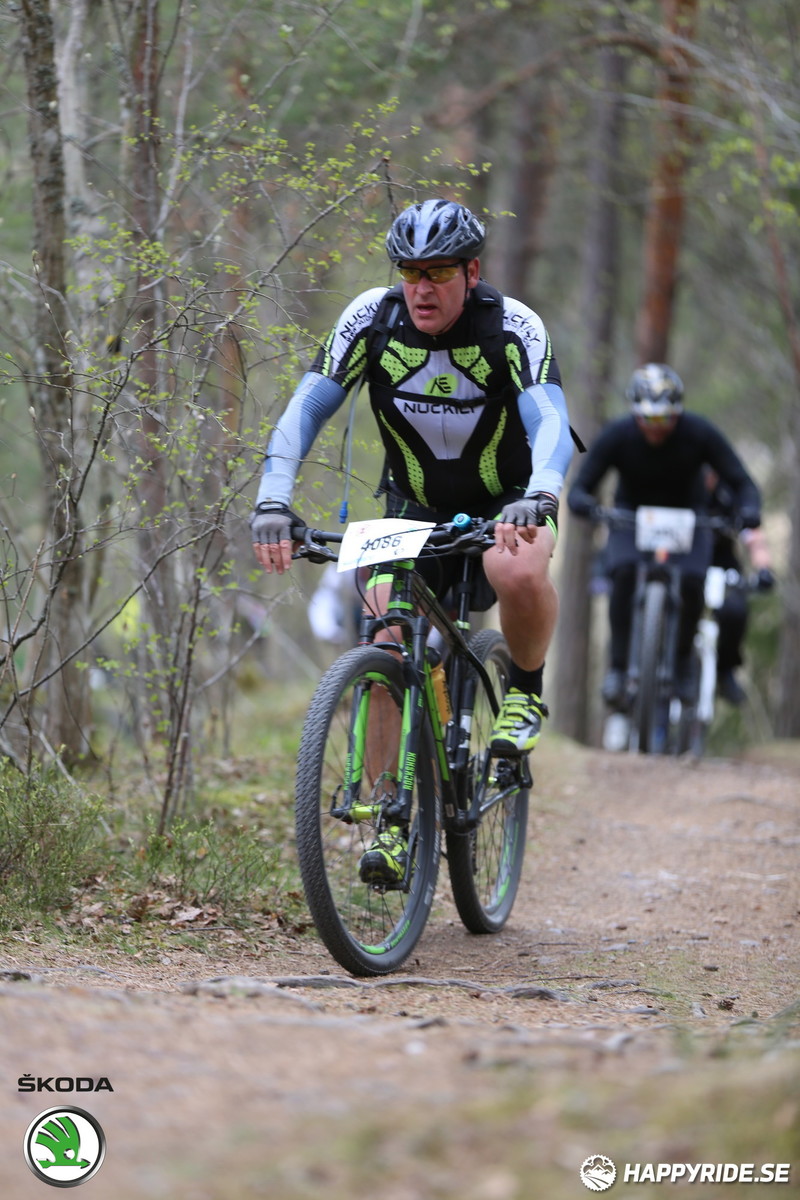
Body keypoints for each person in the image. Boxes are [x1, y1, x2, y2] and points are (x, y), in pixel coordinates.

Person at [250, 198, 575, 882]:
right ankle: (389, 820)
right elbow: (306, 405)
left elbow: (549, 418)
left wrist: (541, 491)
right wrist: (273, 498)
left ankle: (523, 690)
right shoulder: (372, 318)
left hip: (506, 504)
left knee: (515, 571)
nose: (422, 288)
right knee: (386, 642)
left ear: (472, 270)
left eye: (438, 272)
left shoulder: (511, 327)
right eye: (409, 272)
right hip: (409, 507)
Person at [567, 363, 763, 711]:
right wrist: (586, 504)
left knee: (692, 581)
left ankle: (683, 665)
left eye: (664, 420)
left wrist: (748, 509)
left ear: (678, 413)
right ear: (635, 414)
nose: (655, 429)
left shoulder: (699, 433)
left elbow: (741, 481)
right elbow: (582, 486)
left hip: (689, 518)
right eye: (647, 420)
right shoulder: (618, 434)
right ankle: (617, 667)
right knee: (623, 574)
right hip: (631, 517)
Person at [704, 469, 775, 705]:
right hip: (681, 564)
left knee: (735, 610)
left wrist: (764, 569)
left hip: (722, 565)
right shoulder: (679, 487)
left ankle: (726, 672)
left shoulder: (728, 495)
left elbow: (753, 537)